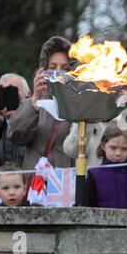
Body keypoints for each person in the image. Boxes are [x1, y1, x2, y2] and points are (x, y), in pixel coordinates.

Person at [8, 36, 78, 172]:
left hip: (67, 184)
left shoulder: (81, 103)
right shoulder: (34, 102)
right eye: (52, 67)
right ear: (43, 70)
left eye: (64, 68)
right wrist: (35, 100)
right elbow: (15, 136)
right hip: (36, 185)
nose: (58, 72)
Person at [84, 121, 127, 228]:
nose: (118, 153)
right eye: (113, 147)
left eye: (124, 149)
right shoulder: (94, 174)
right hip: (102, 234)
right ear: (103, 146)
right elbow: (89, 209)